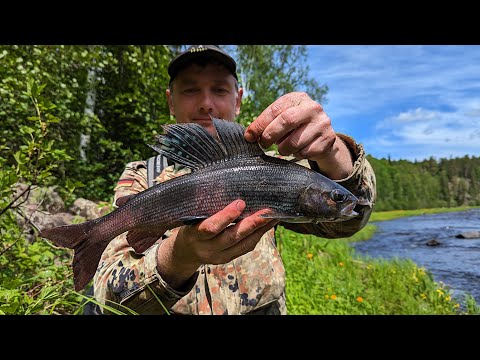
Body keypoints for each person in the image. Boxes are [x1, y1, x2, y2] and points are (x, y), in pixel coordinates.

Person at [91, 45, 377, 315]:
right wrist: (177, 258)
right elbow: (107, 301)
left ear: (237, 99)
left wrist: (332, 152)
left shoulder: (278, 169)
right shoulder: (143, 176)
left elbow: (351, 220)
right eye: (191, 90)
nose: (206, 104)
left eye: (219, 89)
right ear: (170, 101)